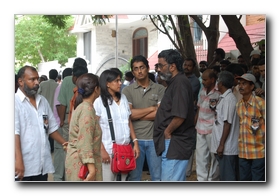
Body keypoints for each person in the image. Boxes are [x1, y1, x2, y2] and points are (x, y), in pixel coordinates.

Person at [15, 65, 67, 181]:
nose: (36, 82)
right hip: (23, 166)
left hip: (42, 165)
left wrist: (65, 143)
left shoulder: (42, 101)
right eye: (32, 79)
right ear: (20, 82)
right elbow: (14, 133)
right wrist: (18, 161)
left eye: (37, 79)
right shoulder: (14, 102)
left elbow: (51, 128)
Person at [153, 49, 196, 181]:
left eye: (161, 65)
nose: (158, 69)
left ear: (172, 66)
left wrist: (167, 132)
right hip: (172, 143)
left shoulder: (180, 83)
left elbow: (180, 115)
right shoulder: (174, 83)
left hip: (175, 143)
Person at [122, 55, 165, 181]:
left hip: (154, 139)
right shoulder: (127, 91)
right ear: (133, 71)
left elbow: (160, 115)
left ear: (147, 68)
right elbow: (129, 115)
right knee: (134, 178)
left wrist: (137, 114)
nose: (139, 71)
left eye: (142, 67)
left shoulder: (160, 88)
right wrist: (152, 109)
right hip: (135, 140)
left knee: (157, 177)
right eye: (136, 69)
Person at [93, 69, 140, 181]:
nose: (120, 83)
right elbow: (95, 128)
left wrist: (135, 142)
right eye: (117, 80)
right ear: (107, 83)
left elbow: (128, 121)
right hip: (109, 151)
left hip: (125, 149)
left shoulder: (123, 98)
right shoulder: (99, 102)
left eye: (120, 80)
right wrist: (102, 150)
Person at [53, 57, 87, 181]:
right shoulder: (88, 80)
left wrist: (61, 120)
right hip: (84, 118)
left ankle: (66, 176)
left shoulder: (67, 80)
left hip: (69, 118)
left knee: (66, 147)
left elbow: (62, 103)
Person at [65, 73, 102, 181]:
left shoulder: (82, 107)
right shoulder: (87, 109)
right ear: (96, 89)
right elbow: (84, 141)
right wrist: (92, 170)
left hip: (79, 161)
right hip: (83, 165)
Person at [210, 71, 239, 181]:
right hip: (221, 145)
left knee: (228, 177)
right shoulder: (224, 98)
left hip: (227, 147)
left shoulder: (229, 99)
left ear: (220, 83)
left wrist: (221, 145)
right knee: (222, 176)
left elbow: (228, 123)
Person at [236, 73, 265, 181]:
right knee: (244, 180)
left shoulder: (260, 103)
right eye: (239, 84)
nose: (241, 86)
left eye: (244, 84)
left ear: (252, 86)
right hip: (243, 151)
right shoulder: (238, 105)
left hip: (258, 150)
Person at [195, 69, 221, 181]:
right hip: (200, 127)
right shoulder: (202, 91)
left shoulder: (219, 92)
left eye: (205, 80)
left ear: (212, 80)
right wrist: (195, 121)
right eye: (202, 79)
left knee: (214, 156)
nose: (202, 82)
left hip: (212, 129)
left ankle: (212, 180)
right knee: (200, 156)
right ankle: (202, 179)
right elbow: (198, 108)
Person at [182, 57, 201, 177]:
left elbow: (185, 95)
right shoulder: (180, 77)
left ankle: (187, 170)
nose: (186, 67)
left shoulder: (195, 81)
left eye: (189, 65)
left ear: (193, 68)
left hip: (191, 115)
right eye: (185, 65)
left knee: (189, 143)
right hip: (180, 114)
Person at [38, 69, 59, 153]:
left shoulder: (42, 84)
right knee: (53, 128)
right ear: (56, 76)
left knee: (45, 129)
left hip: (43, 111)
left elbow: (38, 93)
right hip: (53, 112)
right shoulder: (57, 85)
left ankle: (45, 147)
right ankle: (51, 147)